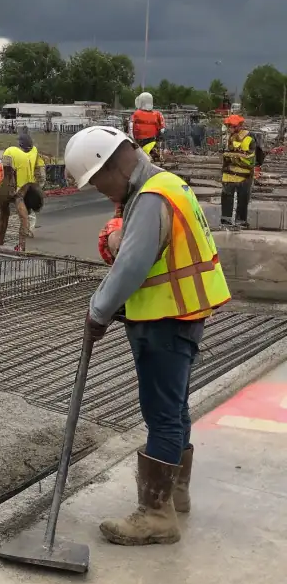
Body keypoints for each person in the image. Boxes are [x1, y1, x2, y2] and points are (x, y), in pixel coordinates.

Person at [65, 126, 230, 547]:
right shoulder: (168, 185)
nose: (100, 191)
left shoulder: (152, 196)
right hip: (181, 314)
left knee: (161, 415)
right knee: (175, 408)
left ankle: (156, 515)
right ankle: (175, 494)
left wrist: (98, 311)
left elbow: (132, 265)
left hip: (164, 320)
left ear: (112, 166)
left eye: (97, 182)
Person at [0, 129, 46, 253]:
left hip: (10, 188)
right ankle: (21, 247)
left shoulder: (10, 151)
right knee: (24, 219)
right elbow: (41, 172)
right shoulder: (33, 152)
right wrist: (38, 186)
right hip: (20, 190)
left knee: (4, 216)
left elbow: (7, 173)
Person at [221, 113, 263, 229]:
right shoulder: (229, 138)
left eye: (231, 126)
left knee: (241, 200)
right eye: (229, 126)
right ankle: (228, 221)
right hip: (231, 175)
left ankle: (237, 222)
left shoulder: (248, 139)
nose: (229, 128)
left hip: (242, 176)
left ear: (239, 126)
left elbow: (250, 158)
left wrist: (231, 156)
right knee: (231, 199)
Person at [130, 91, 165, 161]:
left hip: (140, 140)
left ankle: (151, 155)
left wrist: (132, 138)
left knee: (142, 153)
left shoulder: (136, 114)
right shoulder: (157, 114)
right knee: (152, 151)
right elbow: (162, 129)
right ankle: (155, 154)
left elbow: (131, 127)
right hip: (151, 140)